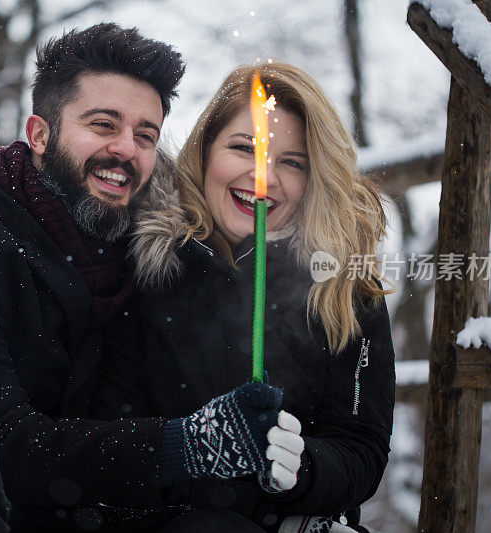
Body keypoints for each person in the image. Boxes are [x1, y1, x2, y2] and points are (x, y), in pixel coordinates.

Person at [0, 24, 294, 533]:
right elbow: (1, 447)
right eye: (104, 124)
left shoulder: (144, 258)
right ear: (40, 134)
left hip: (77, 517)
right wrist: (185, 444)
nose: (126, 149)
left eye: (145, 135)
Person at [92, 62, 396, 532]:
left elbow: (362, 448)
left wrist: (303, 469)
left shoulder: (343, 286)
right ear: (205, 151)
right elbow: (114, 434)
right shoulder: (144, 266)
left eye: (291, 162)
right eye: (242, 148)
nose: (264, 178)